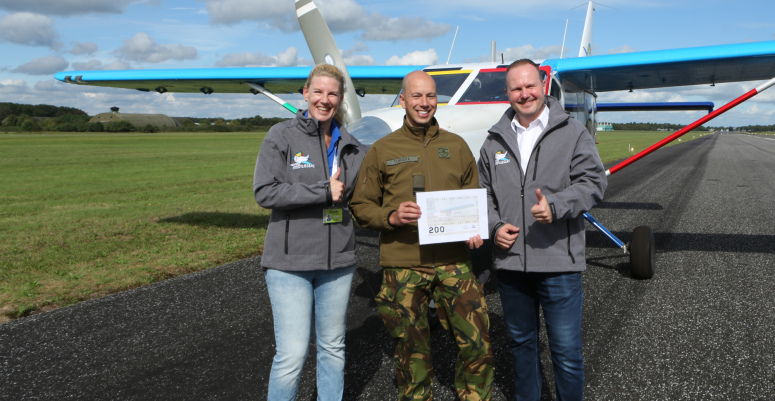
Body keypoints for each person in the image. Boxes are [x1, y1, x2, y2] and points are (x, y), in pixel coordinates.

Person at [350, 70, 494, 401]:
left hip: (453, 261)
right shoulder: (382, 149)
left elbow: (474, 198)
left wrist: (475, 227)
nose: (424, 103)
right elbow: (361, 206)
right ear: (403, 100)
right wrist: (391, 215)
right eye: (416, 96)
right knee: (411, 352)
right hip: (403, 264)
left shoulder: (456, 146)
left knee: (477, 343)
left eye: (430, 96)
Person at [477, 59, 607, 401]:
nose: (525, 94)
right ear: (506, 93)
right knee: (521, 347)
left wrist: (556, 205)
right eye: (516, 88)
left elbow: (594, 182)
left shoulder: (573, 132)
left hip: (558, 265)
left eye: (530, 85)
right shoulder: (493, 141)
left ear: (543, 86)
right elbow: (483, 193)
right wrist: (494, 226)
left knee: (565, 353)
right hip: (510, 265)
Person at [253, 63, 365, 401]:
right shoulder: (281, 135)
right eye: (318, 91)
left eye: (332, 93)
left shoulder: (352, 146)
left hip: (338, 263)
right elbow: (265, 192)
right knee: (291, 356)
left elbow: (362, 200)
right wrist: (321, 191)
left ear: (341, 98)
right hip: (290, 264)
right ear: (305, 93)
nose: (325, 99)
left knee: (333, 349)